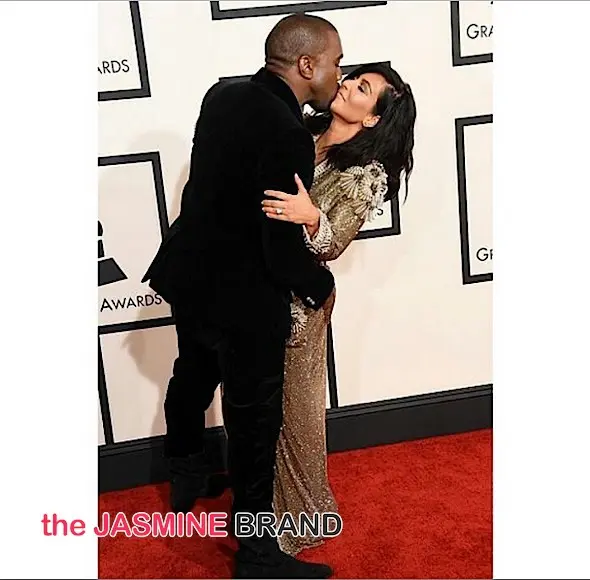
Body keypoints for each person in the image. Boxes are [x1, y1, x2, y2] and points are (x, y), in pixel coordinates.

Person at [141, 13, 344, 579]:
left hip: (189, 273)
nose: (339, 73)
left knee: (193, 373)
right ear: (307, 64)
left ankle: (185, 474)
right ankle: (255, 554)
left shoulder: (224, 94)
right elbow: (278, 242)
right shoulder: (287, 132)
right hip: (243, 297)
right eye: (336, 62)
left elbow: (216, 191)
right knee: (254, 426)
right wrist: (320, 284)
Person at [261, 62, 417, 556]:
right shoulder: (300, 133)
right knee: (261, 403)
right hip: (259, 287)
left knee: (297, 409)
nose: (347, 84)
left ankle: (303, 517)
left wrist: (311, 218)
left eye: (362, 88)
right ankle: (262, 502)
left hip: (301, 302)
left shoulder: (364, 174)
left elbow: (333, 244)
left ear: (372, 118)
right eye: (352, 77)